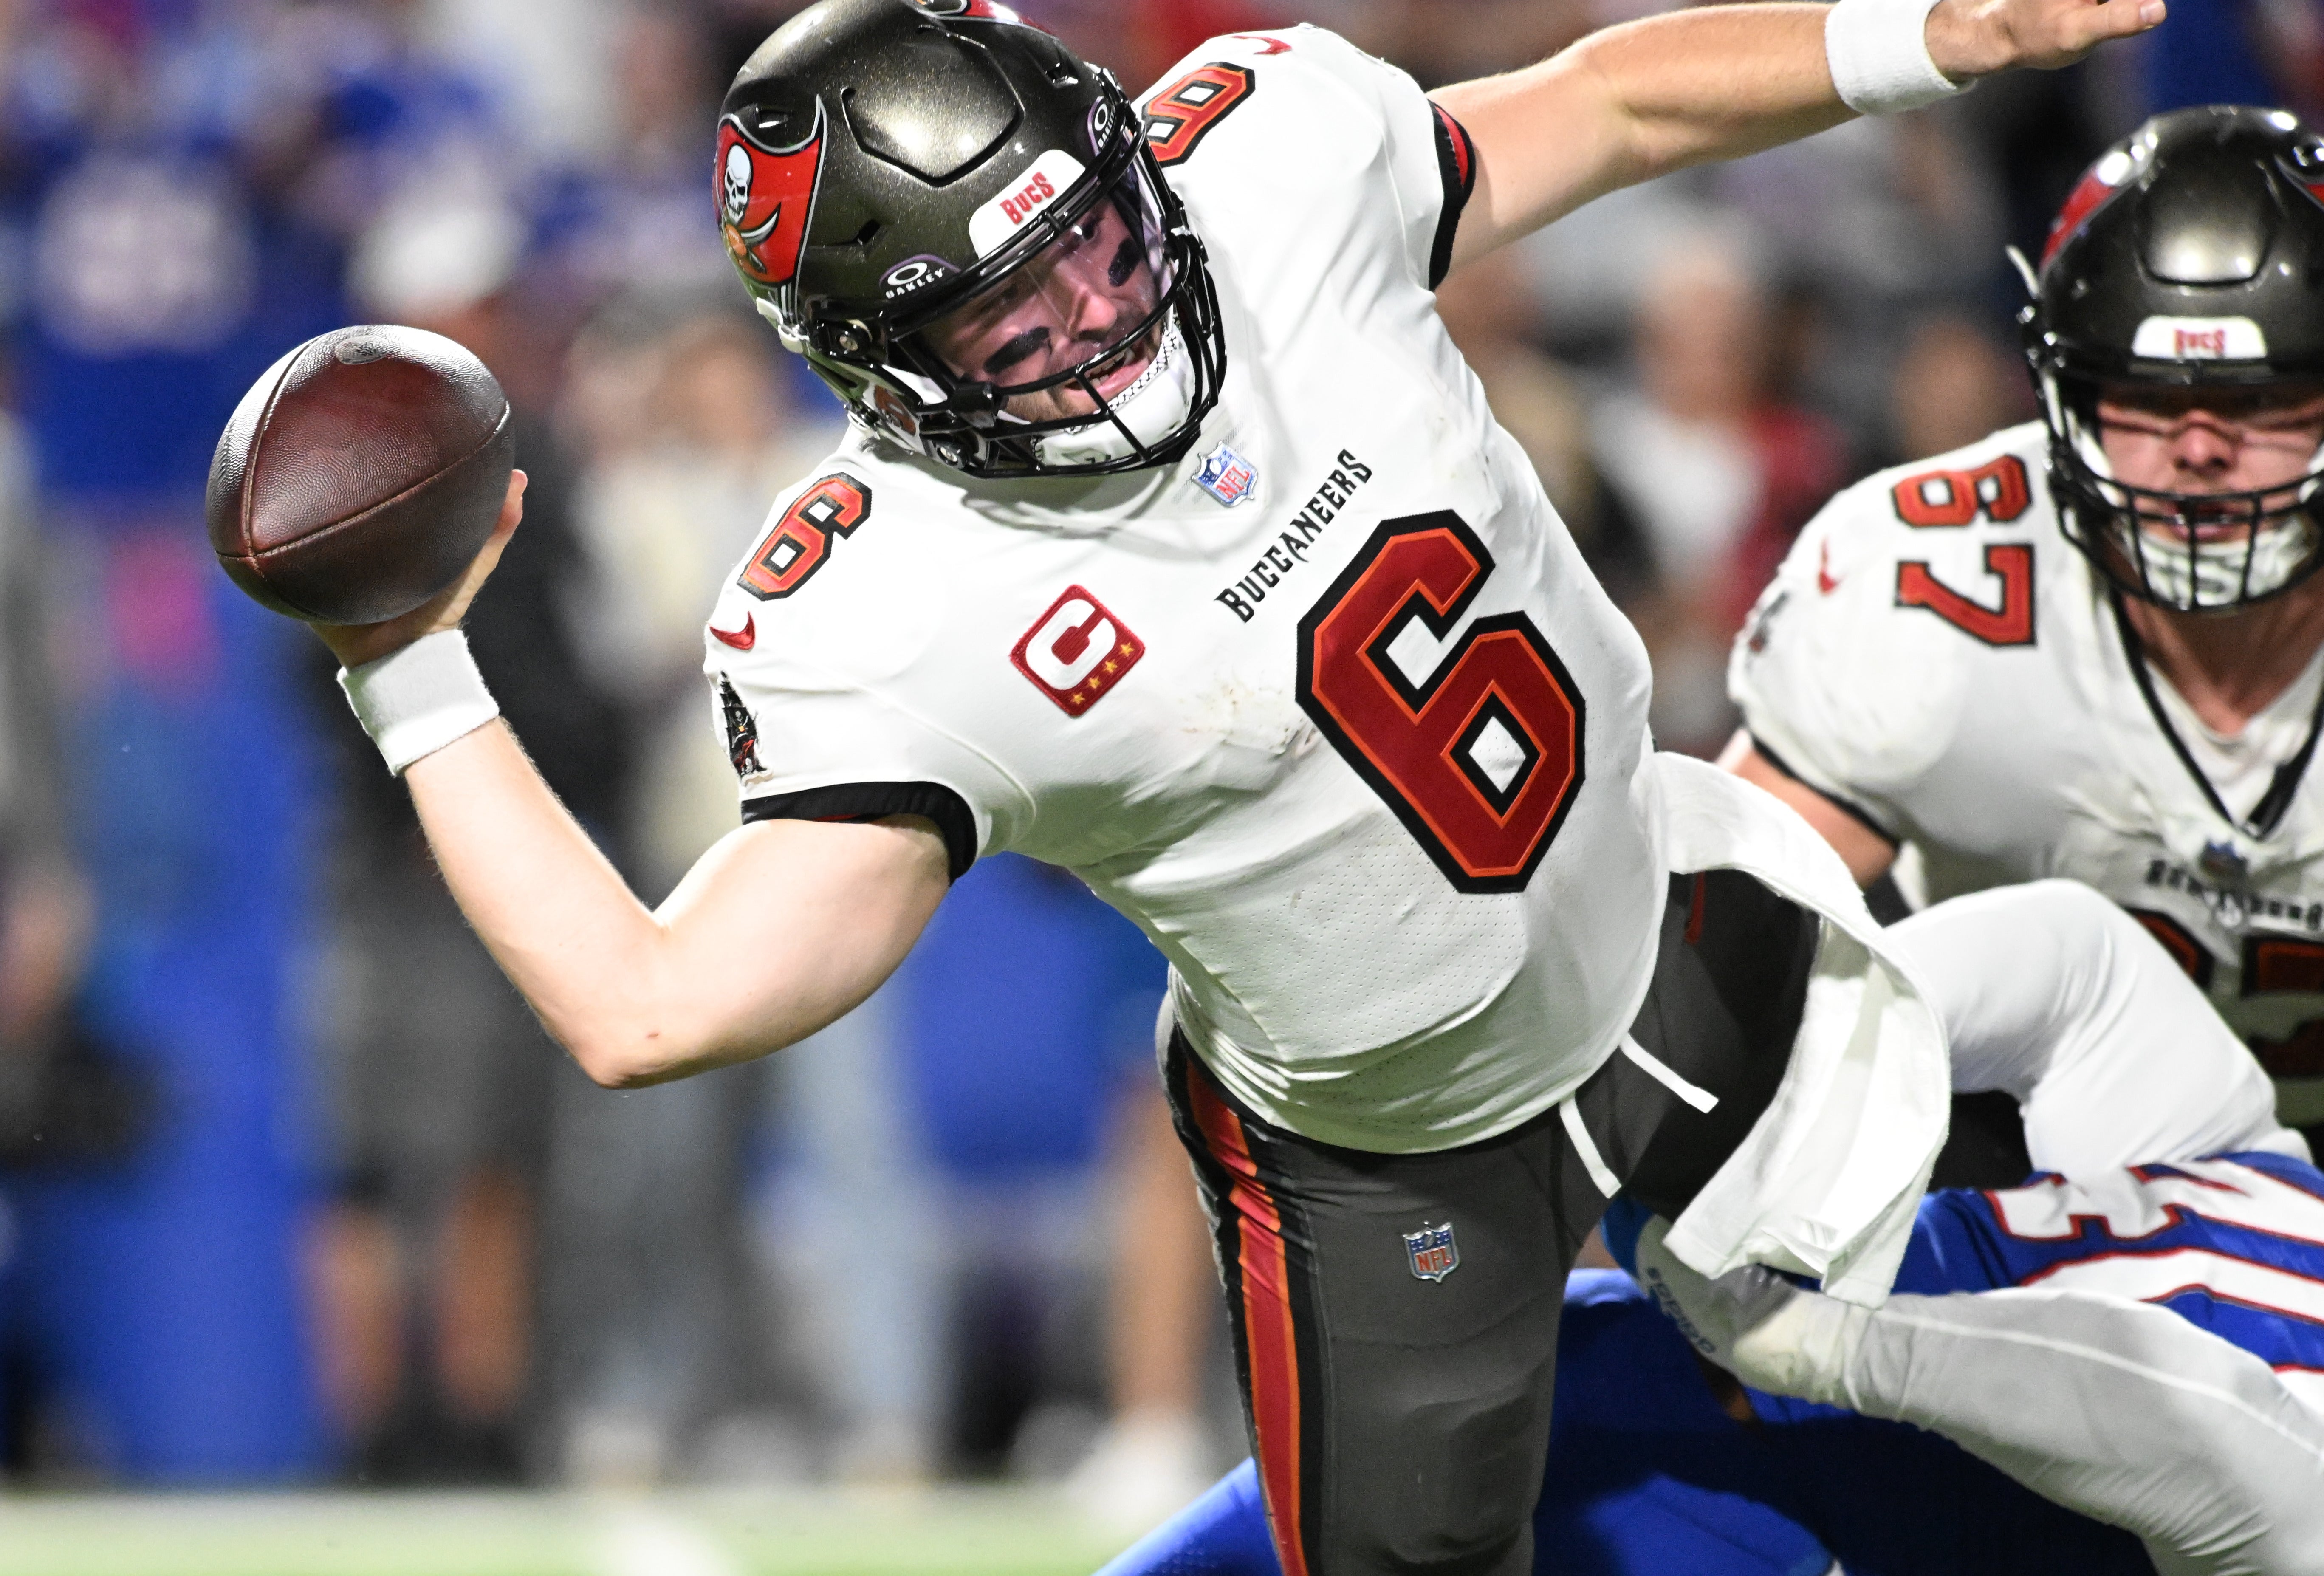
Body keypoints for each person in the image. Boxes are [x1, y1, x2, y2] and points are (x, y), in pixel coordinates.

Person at [293, 0, 2157, 1568]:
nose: (1095, 320)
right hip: (1386, 1153)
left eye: (1098, 239)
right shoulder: (895, 603)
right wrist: (410, 667)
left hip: (1673, 917)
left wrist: (1920, 34)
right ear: (880, 372)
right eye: (1007, 322)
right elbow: (651, 1006)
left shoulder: (1268, 164)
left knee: (2062, 1405)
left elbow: (1603, 99)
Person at [1100, 881, 2324, 1576]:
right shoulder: (2261, 1180)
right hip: (1707, 1410)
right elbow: (2081, 965)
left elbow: (2208, 1426)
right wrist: (1788, 1070)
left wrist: (1822, 1334)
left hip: (1772, 1400)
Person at [1726, 105, 2324, 1150]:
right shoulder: (1935, 585)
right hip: (2037, 1206)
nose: (2198, 452)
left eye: (2260, 403)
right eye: (2141, 398)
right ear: (2064, 397)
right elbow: (1713, 950)